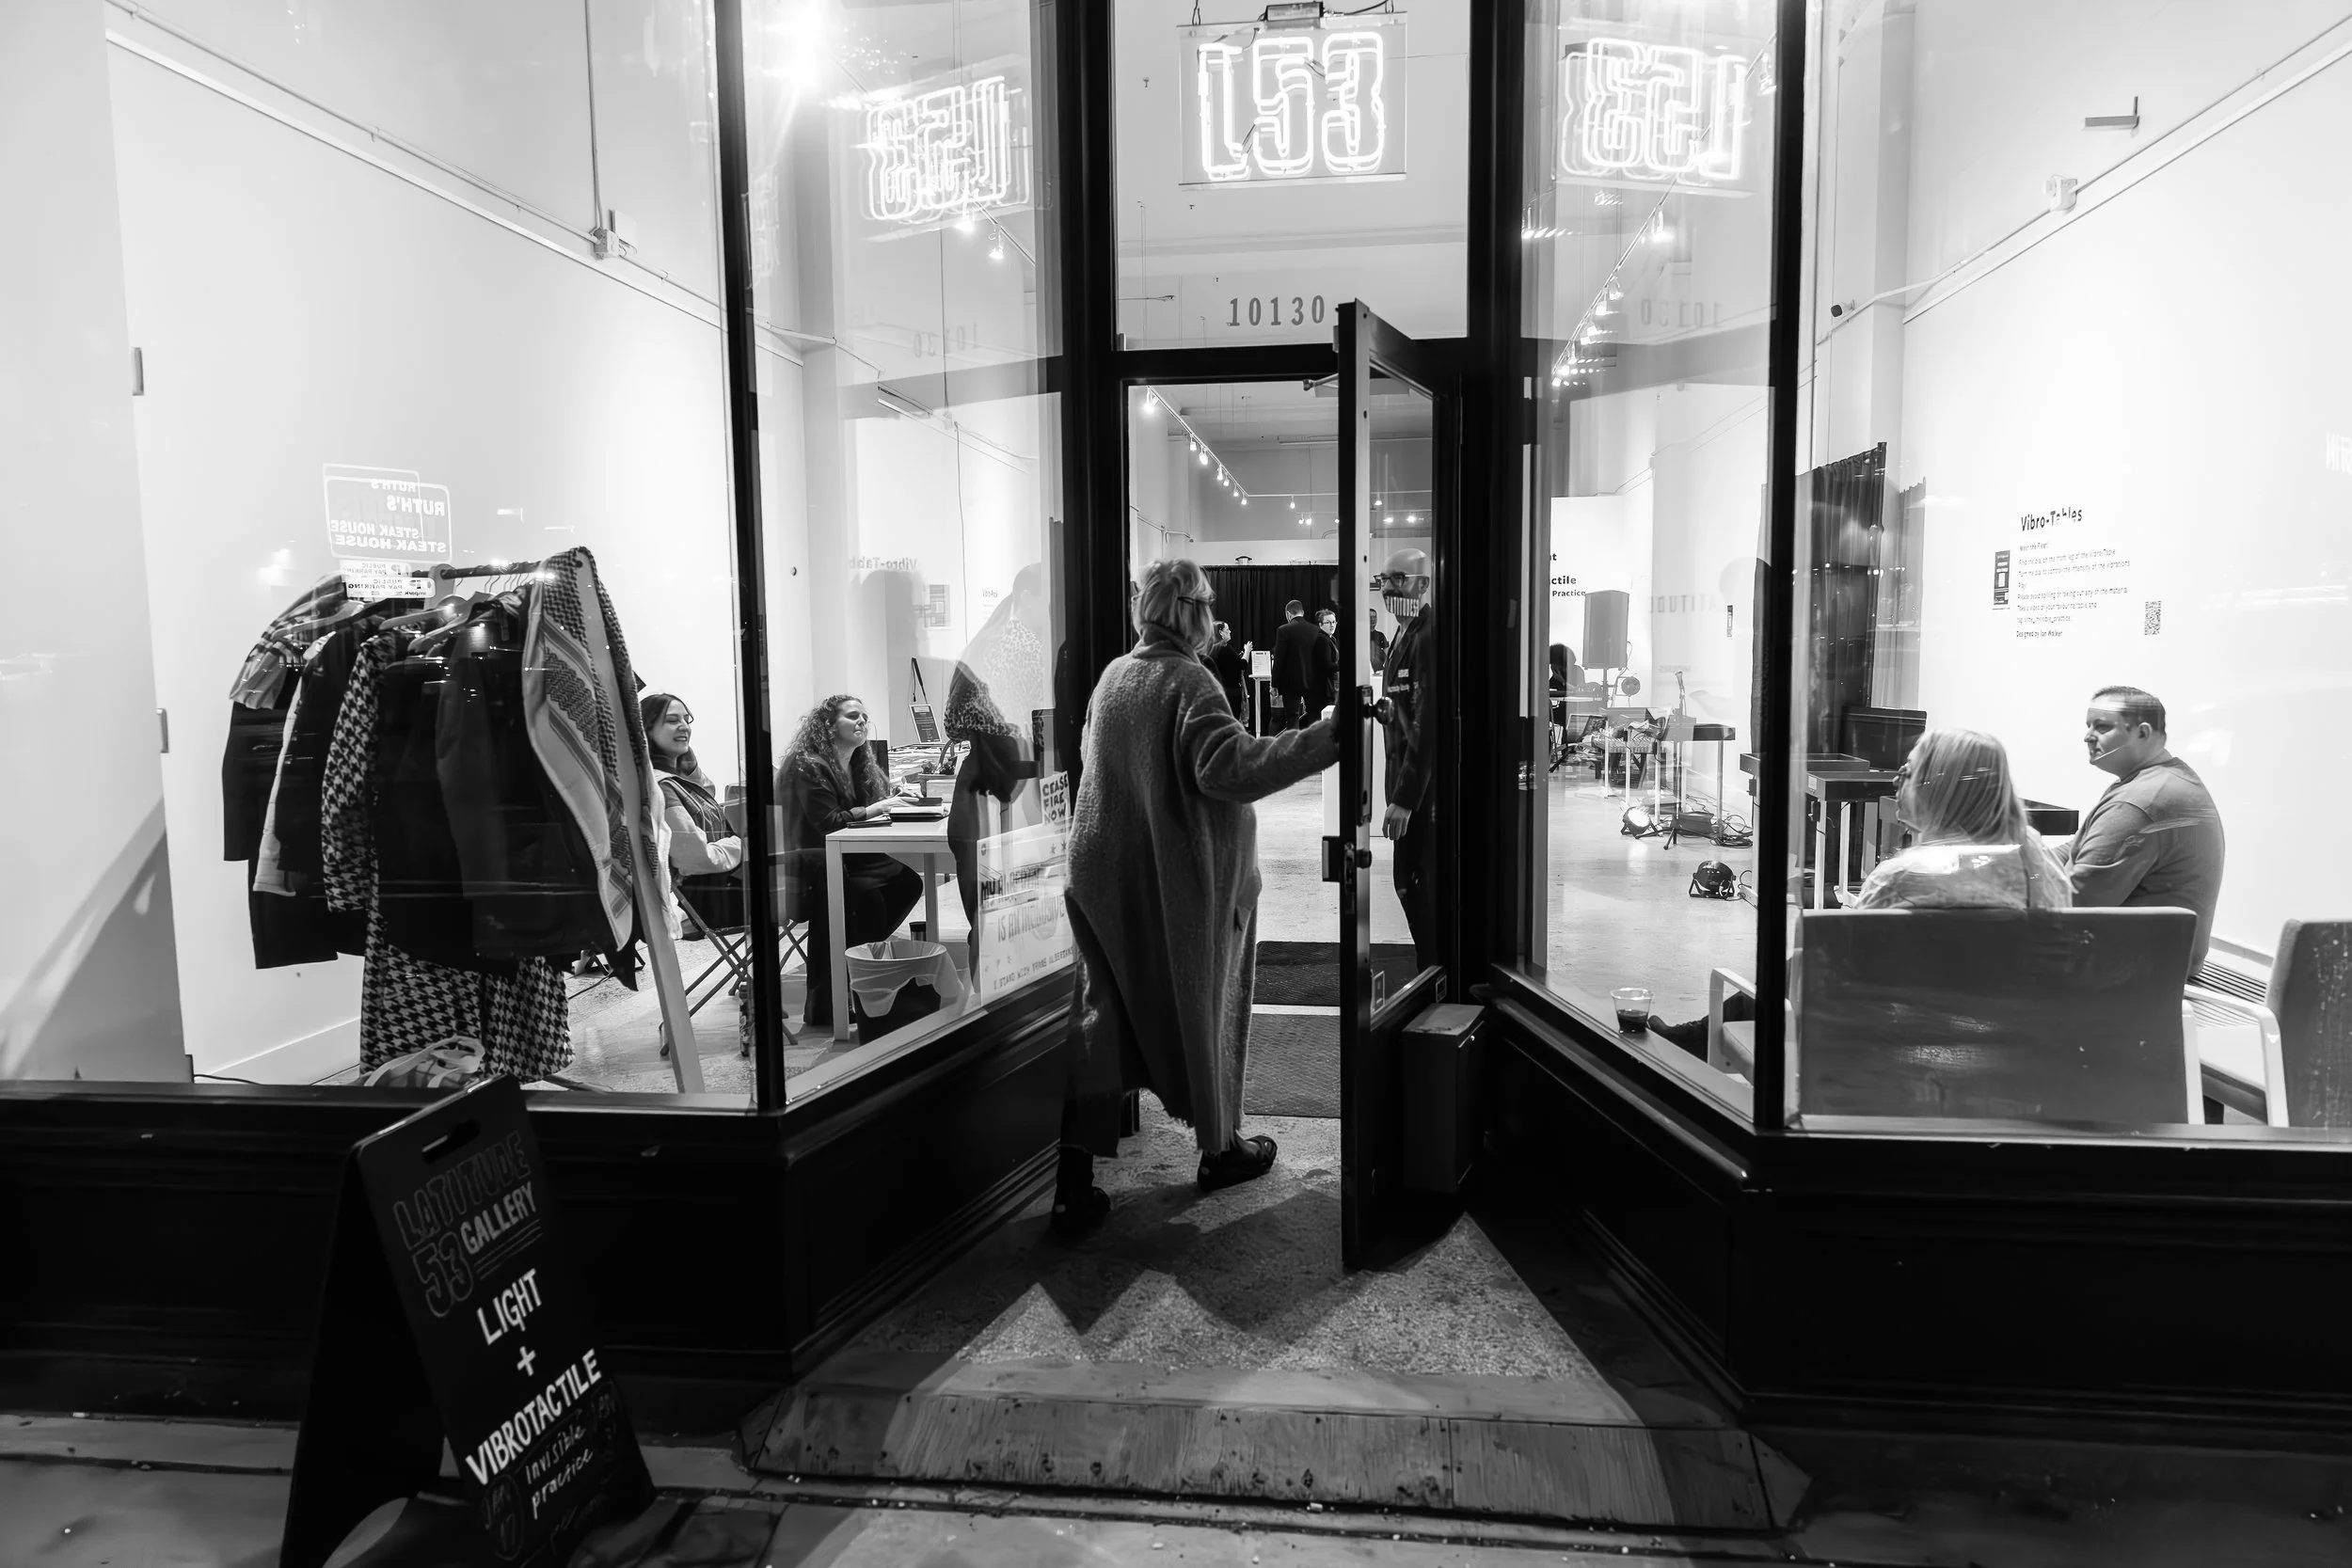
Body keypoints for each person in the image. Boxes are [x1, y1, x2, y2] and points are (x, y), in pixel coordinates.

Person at [1057, 559, 1340, 1235]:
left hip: (1103, 875)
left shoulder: (1114, 676)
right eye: (1206, 606)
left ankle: (1071, 1184)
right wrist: (1329, 738)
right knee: (1206, 1002)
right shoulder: (1190, 682)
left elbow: (1095, 760)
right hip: (1179, 881)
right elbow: (1231, 768)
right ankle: (1220, 1147)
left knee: (1102, 1020)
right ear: (1192, 612)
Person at [1646, 727, 2068, 1051]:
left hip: (1894, 1044)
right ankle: (1696, 1034)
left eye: (1908, 772)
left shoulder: (1903, 878)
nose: (1896, 781)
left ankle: (1698, 1036)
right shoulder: (2038, 862)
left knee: (1803, 964)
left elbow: (1848, 977)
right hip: (2015, 1042)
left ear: (1939, 790)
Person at [778, 695, 922, 1031]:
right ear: (829, 726)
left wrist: (891, 799)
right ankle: (832, 996)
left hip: (845, 855)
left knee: (906, 883)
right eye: (853, 716)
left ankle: (856, 962)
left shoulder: (856, 761)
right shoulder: (807, 764)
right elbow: (829, 823)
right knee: (865, 897)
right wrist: (879, 808)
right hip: (810, 863)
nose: (862, 722)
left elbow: (862, 810)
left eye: (865, 717)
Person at [2058, 685, 2225, 971]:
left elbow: (2071, 908)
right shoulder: (2161, 779)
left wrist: (2006, 882)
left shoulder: (2139, 802)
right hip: (2163, 960)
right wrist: (2023, 859)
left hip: (2132, 971)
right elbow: (2078, 849)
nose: (2088, 736)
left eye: (2102, 726)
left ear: (2143, 733)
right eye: (2088, 726)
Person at [946, 564, 1051, 957]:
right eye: (1049, 601)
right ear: (1026, 597)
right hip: (1007, 790)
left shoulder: (988, 640)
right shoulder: (1025, 647)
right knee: (1005, 925)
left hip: (981, 786)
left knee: (991, 921)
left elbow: (953, 724)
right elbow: (1034, 728)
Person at [1375, 547, 1438, 968]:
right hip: (1404, 783)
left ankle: (1437, 979)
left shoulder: (1429, 637)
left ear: (1423, 584)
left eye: (1398, 578)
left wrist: (1406, 798)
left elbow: (1426, 723)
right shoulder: (1402, 635)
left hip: (1425, 795)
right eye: (1383, 579)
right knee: (1408, 886)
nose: (1388, 587)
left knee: (1422, 890)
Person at [642, 693, 746, 929]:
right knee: (817, 863)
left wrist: (686, 762)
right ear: (646, 731)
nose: (684, 726)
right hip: (713, 897)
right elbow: (695, 859)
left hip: (724, 881)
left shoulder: (672, 779)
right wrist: (742, 843)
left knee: (814, 859)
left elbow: (706, 793)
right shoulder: (662, 788)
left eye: (686, 719)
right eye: (672, 720)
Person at [1269, 598, 1331, 732]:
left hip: (1290, 684)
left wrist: (1274, 684)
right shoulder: (1315, 630)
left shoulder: (1283, 630)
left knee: (1292, 719)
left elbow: (1279, 660)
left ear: (1288, 614)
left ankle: (1294, 744)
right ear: (1302, 612)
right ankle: (1313, 743)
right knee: (1314, 718)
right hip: (1313, 682)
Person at [1203, 620, 1249, 720]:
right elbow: (1242, 664)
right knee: (1232, 720)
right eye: (1227, 630)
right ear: (1220, 632)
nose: (1230, 632)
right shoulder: (1225, 648)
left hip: (1216, 691)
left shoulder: (1209, 649)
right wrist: (1247, 651)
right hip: (1230, 691)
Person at [1313, 608, 1342, 715]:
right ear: (1320, 625)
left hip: (1329, 686)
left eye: (1334, 622)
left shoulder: (1330, 639)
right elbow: (1326, 665)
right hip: (1324, 689)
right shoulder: (1322, 639)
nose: (1332, 625)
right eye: (1328, 622)